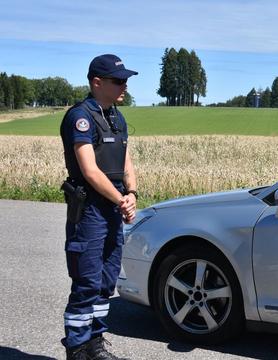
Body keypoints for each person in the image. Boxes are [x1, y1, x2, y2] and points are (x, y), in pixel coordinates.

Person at [60, 54, 139, 360]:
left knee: (106, 282)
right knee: (87, 281)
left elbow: (125, 158)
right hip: (91, 209)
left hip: (114, 207)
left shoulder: (117, 117)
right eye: (118, 81)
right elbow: (90, 171)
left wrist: (131, 192)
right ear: (97, 82)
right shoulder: (80, 117)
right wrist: (120, 200)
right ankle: (78, 349)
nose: (125, 86)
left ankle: (95, 344)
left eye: (126, 81)